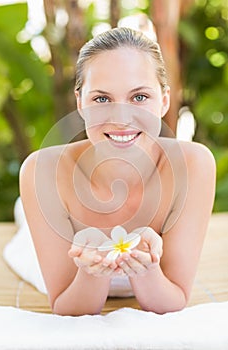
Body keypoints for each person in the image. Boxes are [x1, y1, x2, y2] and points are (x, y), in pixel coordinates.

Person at [20, 27, 216, 316]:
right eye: (102, 99)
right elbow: (65, 307)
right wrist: (92, 273)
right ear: (80, 103)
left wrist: (146, 270)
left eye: (139, 97)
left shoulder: (193, 165)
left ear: (163, 101)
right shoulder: (42, 172)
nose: (122, 119)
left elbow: (172, 300)